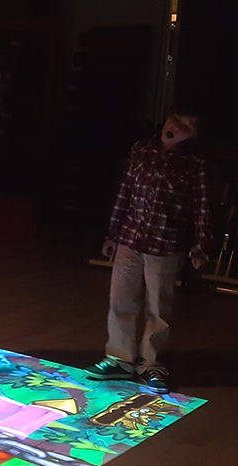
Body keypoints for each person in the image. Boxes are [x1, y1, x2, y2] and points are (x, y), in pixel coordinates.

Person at [84, 108, 212, 394]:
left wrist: (201, 243)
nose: (177, 127)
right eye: (175, 120)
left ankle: (151, 363)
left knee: (159, 308)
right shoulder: (142, 149)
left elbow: (201, 205)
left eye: (187, 125)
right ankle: (119, 359)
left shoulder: (193, 162)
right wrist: (113, 234)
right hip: (131, 238)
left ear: (194, 134)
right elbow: (125, 191)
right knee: (121, 301)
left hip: (165, 244)